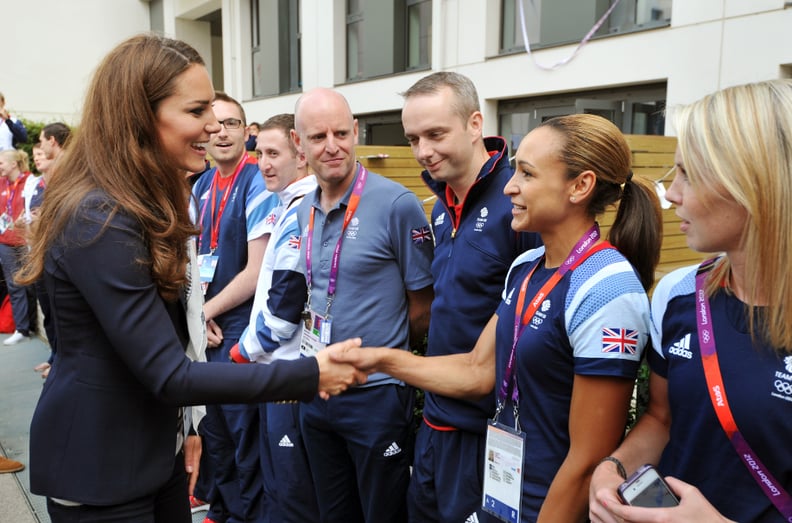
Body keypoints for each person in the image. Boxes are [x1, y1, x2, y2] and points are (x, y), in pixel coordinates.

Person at [16, 33, 364, 523]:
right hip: (101, 470)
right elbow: (169, 373)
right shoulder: (100, 217)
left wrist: (187, 430)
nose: (213, 126)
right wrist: (312, 373)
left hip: (151, 454)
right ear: (141, 114)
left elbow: (170, 343)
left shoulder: (142, 201)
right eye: (197, 111)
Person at [335, 113, 663, 522]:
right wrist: (381, 361)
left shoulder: (607, 289)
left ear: (580, 186)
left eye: (526, 173)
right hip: (500, 487)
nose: (510, 186)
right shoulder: (525, 266)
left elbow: (588, 459)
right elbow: (478, 370)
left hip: (549, 503)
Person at [589, 80, 792, 523]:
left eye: (688, 174)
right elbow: (662, 418)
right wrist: (613, 467)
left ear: (754, 181)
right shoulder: (679, 293)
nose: (671, 194)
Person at [398, 71, 542, 522]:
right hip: (435, 422)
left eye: (436, 134)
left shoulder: (519, 201)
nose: (423, 151)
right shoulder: (441, 206)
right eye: (413, 138)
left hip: (489, 432)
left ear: (475, 124)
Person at [292, 87, 435, 523]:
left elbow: (423, 306)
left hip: (375, 396)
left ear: (356, 132)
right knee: (332, 514)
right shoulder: (304, 210)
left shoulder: (397, 205)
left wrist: (383, 355)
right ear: (300, 144)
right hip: (317, 389)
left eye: (340, 132)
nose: (332, 146)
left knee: (383, 514)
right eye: (318, 137)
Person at [190, 92, 278, 523]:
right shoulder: (202, 184)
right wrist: (197, 313)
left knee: (245, 434)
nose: (222, 132)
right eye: (215, 123)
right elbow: (190, 262)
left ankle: (249, 515)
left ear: (248, 132)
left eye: (233, 123)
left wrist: (202, 313)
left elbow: (257, 270)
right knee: (215, 431)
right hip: (207, 324)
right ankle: (221, 510)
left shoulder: (257, 181)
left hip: (238, 327)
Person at [230, 113, 321, 521]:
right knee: (279, 486)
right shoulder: (289, 204)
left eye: (273, 153)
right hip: (279, 370)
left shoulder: (303, 208)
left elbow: (284, 307)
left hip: (284, 370)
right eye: (259, 152)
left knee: (290, 492)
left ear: (300, 155)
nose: (263, 163)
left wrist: (243, 351)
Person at [0, 149, 33, 345]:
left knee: (32, 284)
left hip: (25, 241)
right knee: (14, 284)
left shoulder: (30, 181)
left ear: (13, 164)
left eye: (1, 162)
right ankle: (22, 328)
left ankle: (31, 325)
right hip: (5, 241)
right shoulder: (1, 183)